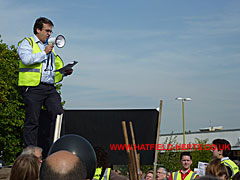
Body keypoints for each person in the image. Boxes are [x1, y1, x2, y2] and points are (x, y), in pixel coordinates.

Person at [17, 17, 73, 147]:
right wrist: (44, 53)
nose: (49, 34)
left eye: (50, 32)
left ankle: (55, 148)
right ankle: (31, 154)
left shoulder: (49, 48)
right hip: (32, 88)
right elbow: (26, 59)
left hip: (49, 88)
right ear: (38, 29)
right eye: (47, 31)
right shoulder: (27, 43)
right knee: (32, 121)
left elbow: (50, 69)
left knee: (58, 114)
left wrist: (64, 72)